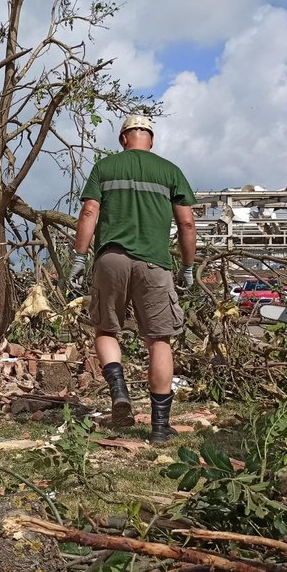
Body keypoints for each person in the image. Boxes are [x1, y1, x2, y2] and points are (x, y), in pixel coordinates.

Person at [70, 115, 197, 443]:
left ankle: (119, 390)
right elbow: (186, 225)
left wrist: (78, 259)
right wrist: (187, 267)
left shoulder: (105, 167)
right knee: (159, 339)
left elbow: (88, 213)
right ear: (150, 141)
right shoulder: (170, 171)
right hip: (154, 264)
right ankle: (158, 427)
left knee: (106, 329)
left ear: (123, 139)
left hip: (111, 260)